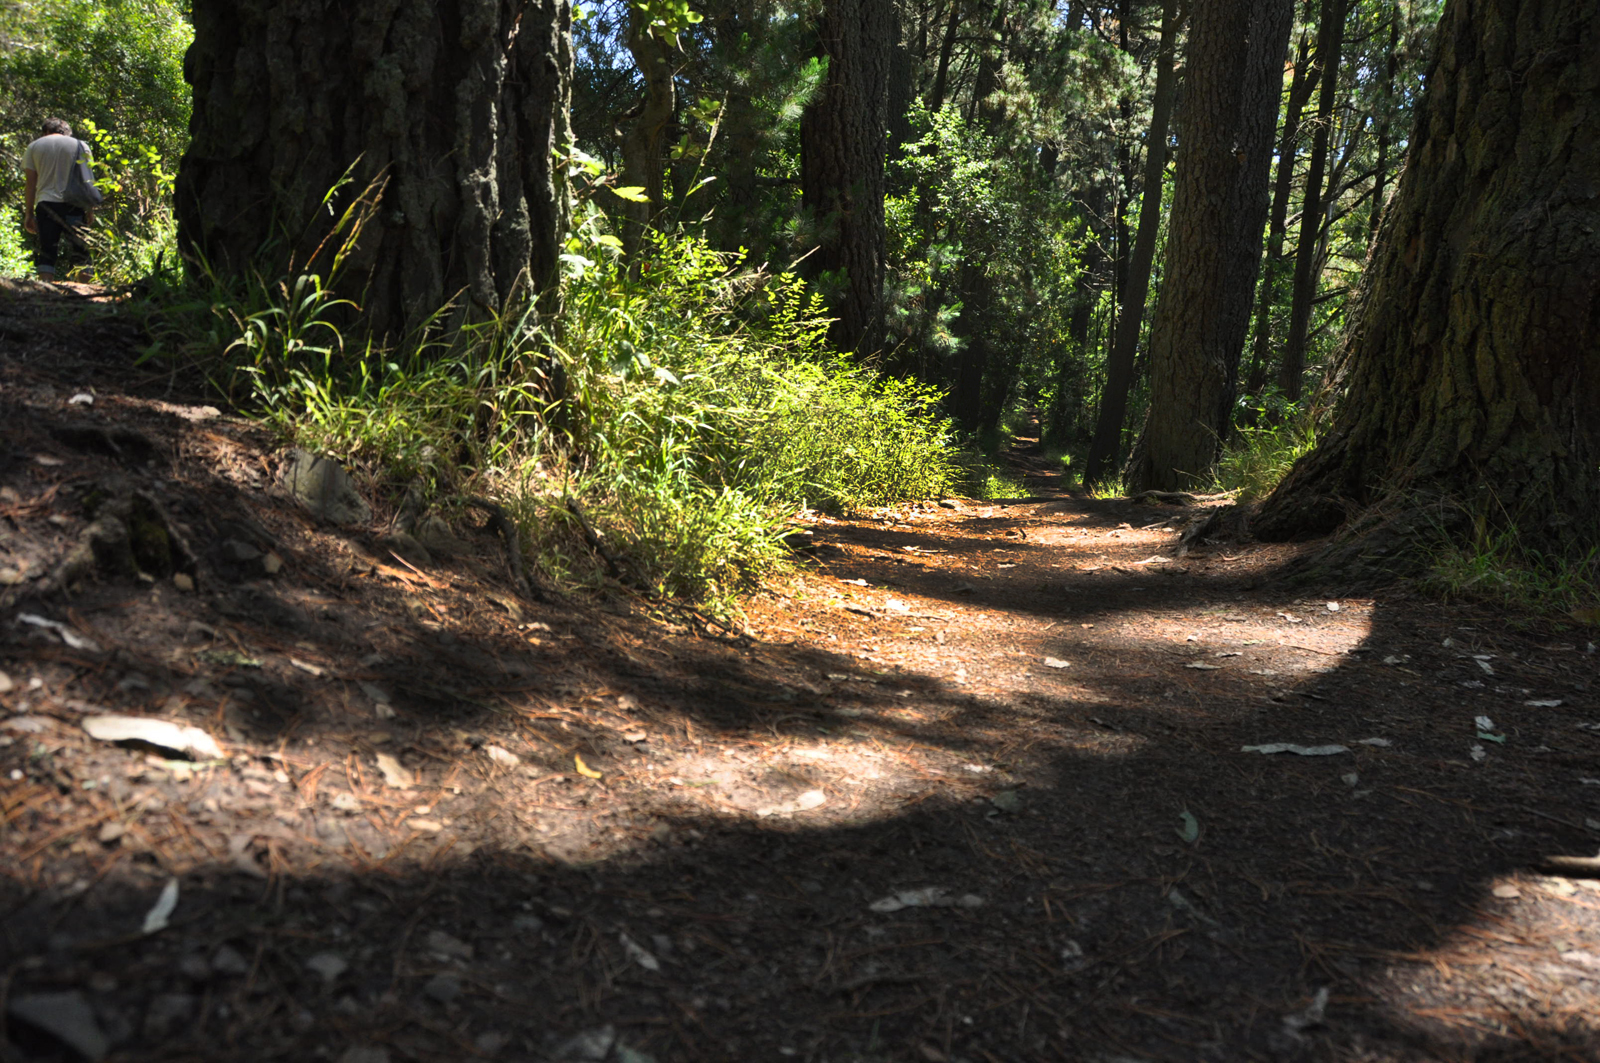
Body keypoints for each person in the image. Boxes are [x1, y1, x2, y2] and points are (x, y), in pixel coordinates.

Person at [21, 117, 94, 279]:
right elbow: (87, 181)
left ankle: (46, 293)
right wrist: (90, 210)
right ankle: (87, 294)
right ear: (66, 132)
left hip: (46, 205)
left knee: (47, 250)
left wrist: (29, 214)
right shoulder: (81, 145)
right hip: (74, 204)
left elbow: (30, 184)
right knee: (80, 250)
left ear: (45, 131)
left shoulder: (34, 146)